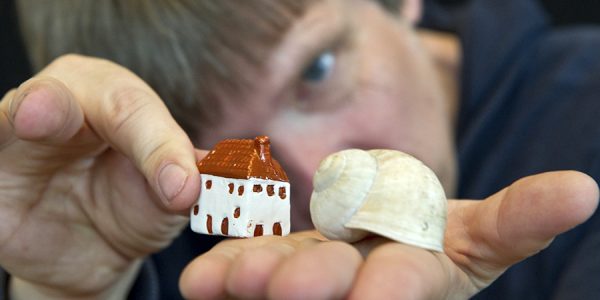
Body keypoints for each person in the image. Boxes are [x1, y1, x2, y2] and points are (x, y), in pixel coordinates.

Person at [1, 0, 600, 299]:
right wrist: (62, 292)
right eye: (232, 155)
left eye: (316, 69)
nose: (306, 176)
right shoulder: (166, 216)